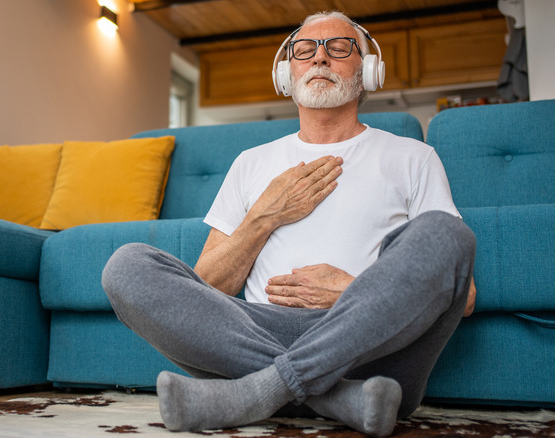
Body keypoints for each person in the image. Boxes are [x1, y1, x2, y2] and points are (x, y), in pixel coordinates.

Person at [102, 10, 476, 438]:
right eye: (305, 50)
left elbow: (462, 295)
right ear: (286, 74)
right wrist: (266, 215)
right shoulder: (251, 164)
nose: (320, 59)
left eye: (338, 48)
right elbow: (207, 285)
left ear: (369, 71)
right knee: (126, 266)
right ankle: (337, 398)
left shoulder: (413, 157)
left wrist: (351, 292)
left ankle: (258, 393)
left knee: (449, 234)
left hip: (373, 345)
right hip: (258, 332)